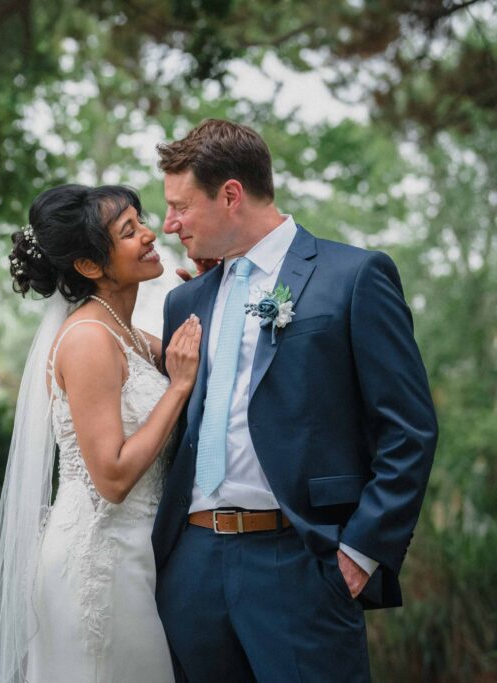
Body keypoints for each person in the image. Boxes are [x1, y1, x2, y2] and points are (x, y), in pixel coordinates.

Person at [152, 119, 438, 682]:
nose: (169, 223)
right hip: (192, 567)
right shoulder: (185, 299)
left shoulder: (353, 277)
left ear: (230, 194)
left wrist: (359, 552)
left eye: (180, 206)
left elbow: (409, 430)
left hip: (299, 563)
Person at [0, 184, 201, 682]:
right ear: (90, 266)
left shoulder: (131, 335)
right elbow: (112, 477)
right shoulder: (89, 340)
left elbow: (201, 360)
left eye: (141, 221)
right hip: (100, 559)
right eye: (128, 231)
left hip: (137, 552)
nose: (148, 234)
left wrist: (206, 291)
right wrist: (176, 388)